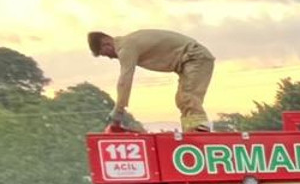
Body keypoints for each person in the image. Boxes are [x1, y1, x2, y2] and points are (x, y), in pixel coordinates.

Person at [87, 29, 215, 133]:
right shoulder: (130, 42)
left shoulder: (126, 48)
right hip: (188, 60)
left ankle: (201, 131)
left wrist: (118, 110)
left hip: (194, 56)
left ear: (106, 42)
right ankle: (192, 131)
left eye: (106, 54)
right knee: (182, 100)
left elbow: (124, 80)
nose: (110, 58)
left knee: (188, 97)